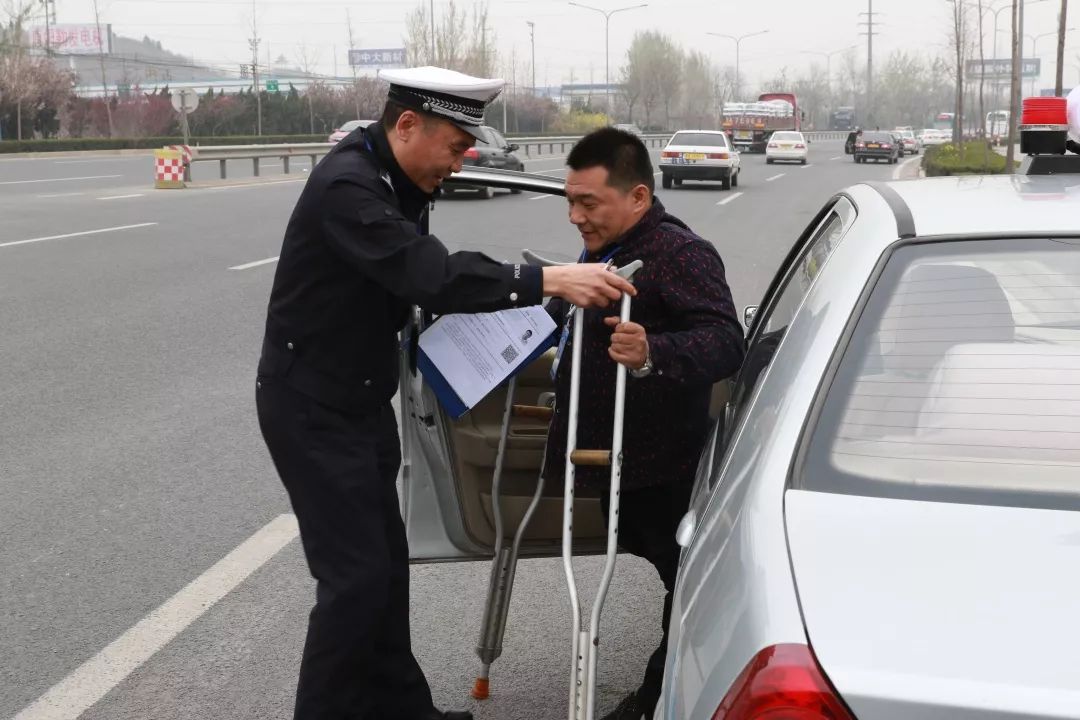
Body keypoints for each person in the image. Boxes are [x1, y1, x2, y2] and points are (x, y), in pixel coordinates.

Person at [255, 67, 635, 720]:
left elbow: (413, 281)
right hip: (311, 409)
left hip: (361, 403)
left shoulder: (396, 179)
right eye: (457, 148)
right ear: (407, 125)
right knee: (353, 584)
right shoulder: (347, 186)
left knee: (385, 574)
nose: (460, 164)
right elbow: (425, 272)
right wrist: (547, 279)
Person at [541, 128, 746, 720]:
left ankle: (661, 697)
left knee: (688, 580)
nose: (576, 216)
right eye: (570, 202)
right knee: (675, 574)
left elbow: (724, 341)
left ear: (636, 196)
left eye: (589, 203)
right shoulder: (598, 251)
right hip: (611, 462)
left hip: (660, 462)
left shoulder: (679, 253)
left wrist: (654, 350)